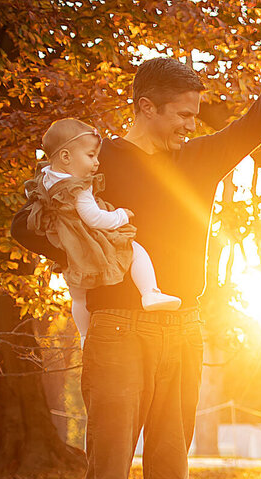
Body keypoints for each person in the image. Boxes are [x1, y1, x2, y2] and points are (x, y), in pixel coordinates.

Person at [11, 37, 261, 479]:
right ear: (144, 107)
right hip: (116, 331)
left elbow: (260, 117)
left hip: (182, 329)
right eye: (181, 114)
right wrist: (76, 244)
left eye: (195, 114)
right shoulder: (101, 161)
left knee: (170, 473)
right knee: (107, 473)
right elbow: (25, 220)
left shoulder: (203, 158)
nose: (191, 125)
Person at [23, 118, 181, 339]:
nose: (96, 162)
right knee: (134, 249)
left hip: (64, 241)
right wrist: (120, 216)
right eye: (90, 156)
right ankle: (150, 293)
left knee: (79, 297)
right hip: (85, 238)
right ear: (66, 157)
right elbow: (94, 218)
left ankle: (84, 336)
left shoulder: (45, 179)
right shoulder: (79, 187)